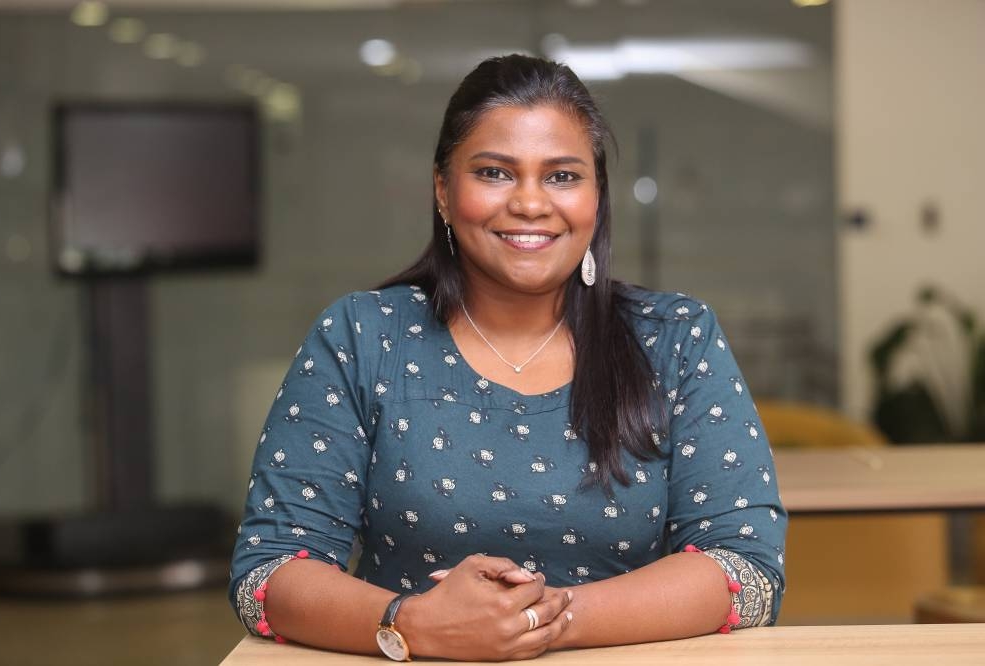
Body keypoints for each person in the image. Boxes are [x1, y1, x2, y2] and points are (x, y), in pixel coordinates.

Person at [229, 54, 786, 661]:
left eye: (562, 176)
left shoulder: (677, 339)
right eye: (495, 173)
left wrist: (547, 621)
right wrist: (413, 624)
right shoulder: (363, 337)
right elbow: (270, 573)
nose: (529, 203)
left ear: (596, 196)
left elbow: (745, 571)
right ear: (443, 191)